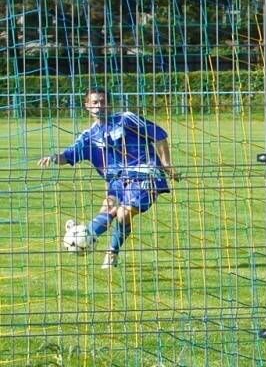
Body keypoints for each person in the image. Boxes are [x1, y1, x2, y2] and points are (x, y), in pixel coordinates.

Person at [39, 88, 180, 269]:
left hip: (145, 176)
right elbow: (68, 155)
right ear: (87, 106)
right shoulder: (89, 137)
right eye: (95, 102)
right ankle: (82, 233)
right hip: (117, 182)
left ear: (110, 104)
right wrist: (53, 157)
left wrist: (167, 164)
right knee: (108, 208)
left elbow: (159, 135)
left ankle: (110, 251)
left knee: (122, 213)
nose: (100, 106)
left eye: (103, 102)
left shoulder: (126, 119)